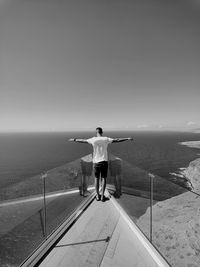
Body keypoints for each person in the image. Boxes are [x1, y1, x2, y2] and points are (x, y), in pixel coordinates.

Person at [69, 127, 133, 202]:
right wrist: (127, 138)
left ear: (96, 133)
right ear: (102, 132)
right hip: (104, 162)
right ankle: (102, 196)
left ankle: (97, 196)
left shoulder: (93, 139)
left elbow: (82, 141)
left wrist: (74, 139)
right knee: (104, 179)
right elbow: (117, 140)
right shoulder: (106, 139)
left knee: (96, 179)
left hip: (96, 163)